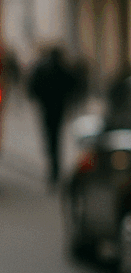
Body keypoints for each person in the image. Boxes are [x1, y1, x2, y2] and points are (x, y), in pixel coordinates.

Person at [28, 47, 86, 184]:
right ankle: (55, 166)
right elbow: (74, 86)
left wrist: (40, 99)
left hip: (46, 108)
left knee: (49, 136)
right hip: (59, 108)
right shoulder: (64, 69)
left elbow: (32, 87)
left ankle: (53, 165)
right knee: (56, 136)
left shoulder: (42, 69)